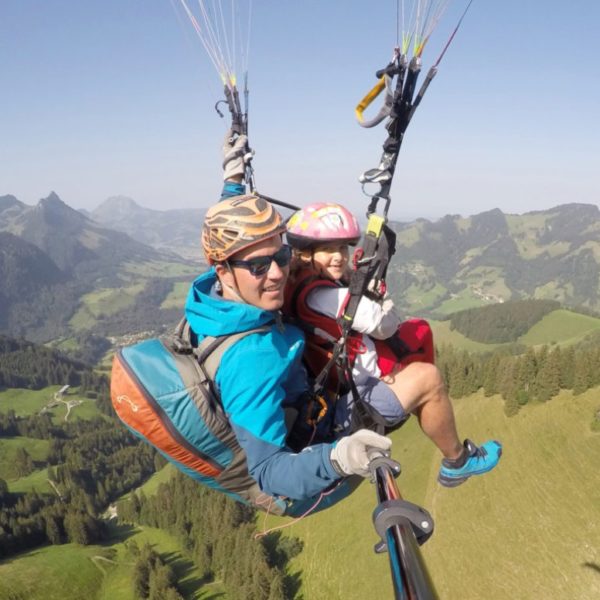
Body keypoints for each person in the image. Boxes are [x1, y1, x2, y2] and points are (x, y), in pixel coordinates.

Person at [184, 191, 396, 516]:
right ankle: (456, 461)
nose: (277, 274)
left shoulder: (214, 300)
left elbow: (236, 244)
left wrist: (234, 181)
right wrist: (340, 457)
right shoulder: (250, 360)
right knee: (421, 378)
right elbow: (269, 471)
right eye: (257, 266)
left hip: (311, 405)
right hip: (315, 455)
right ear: (223, 270)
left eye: (282, 256)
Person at [283, 201, 502, 487]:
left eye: (342, 248)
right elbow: (384, 326)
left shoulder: (298, 282)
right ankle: (457, 461)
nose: (338, 257)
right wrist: (380, 298)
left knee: (418, 333)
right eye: (328, 250)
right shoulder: (326, 296)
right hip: (353, 404)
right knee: (430, 378)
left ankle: (417, 399)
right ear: (306, 252)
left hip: (340, 384)